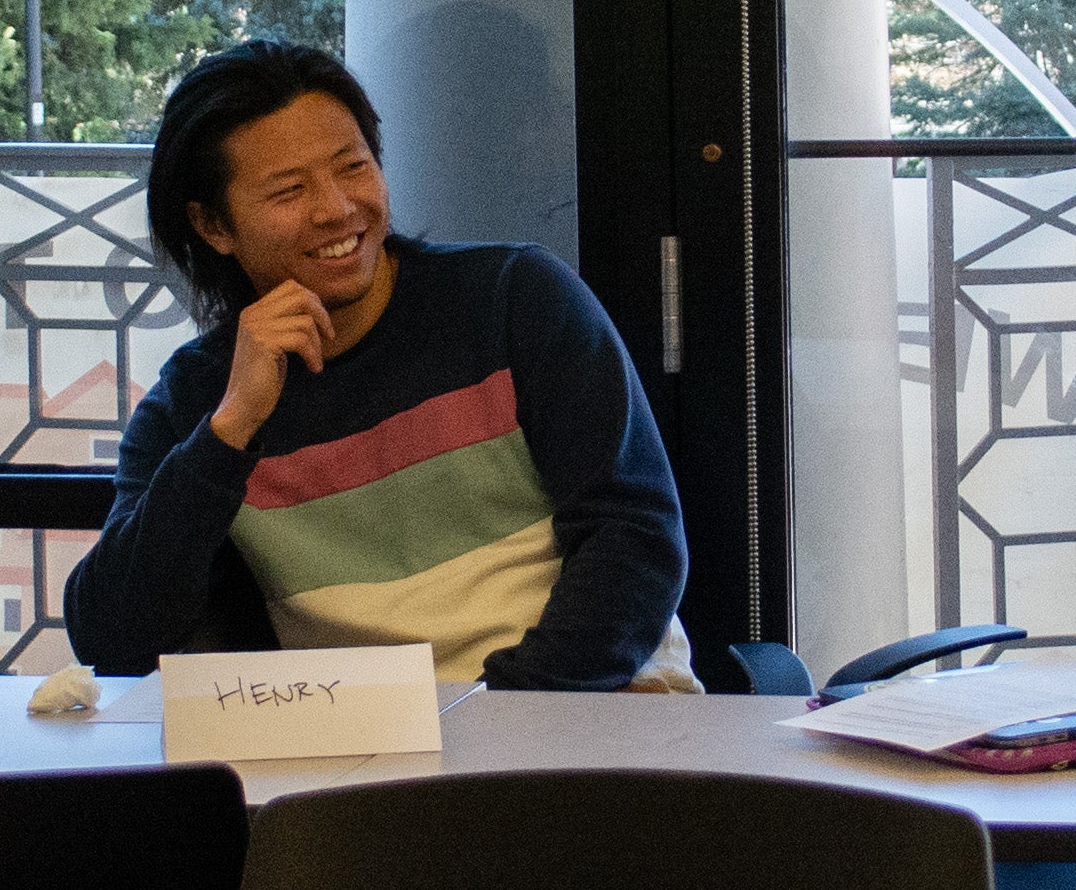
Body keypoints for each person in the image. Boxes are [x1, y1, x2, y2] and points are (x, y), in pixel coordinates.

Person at [65, 39, 691, 691]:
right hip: (363, 756)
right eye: (288, 190)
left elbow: (636, 540)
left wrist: (496, 721)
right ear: (214, 225)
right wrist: (230, 429)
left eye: (353, 167)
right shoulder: (200, 403)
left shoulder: (515, 301)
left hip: (588, 715)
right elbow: (112, 636)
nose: (336, 208)